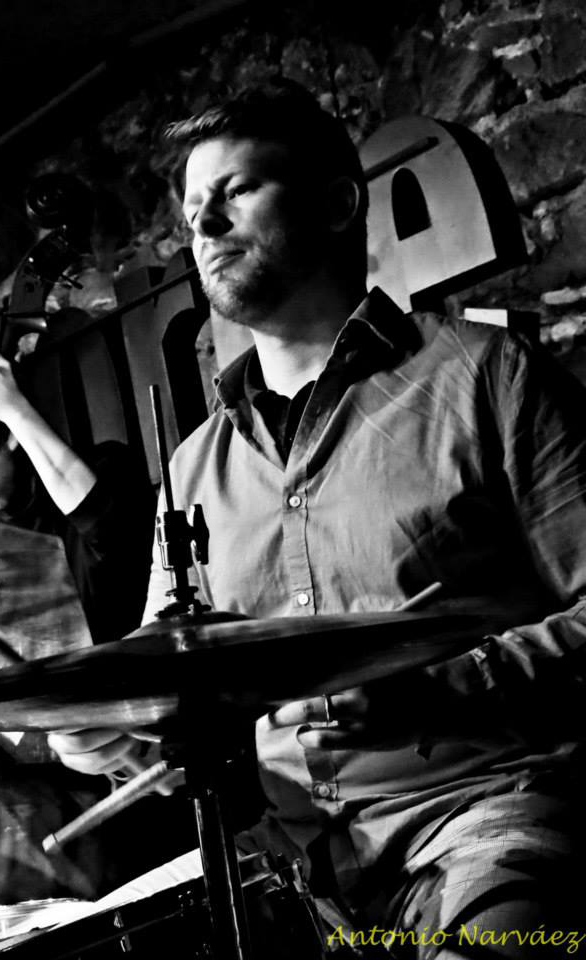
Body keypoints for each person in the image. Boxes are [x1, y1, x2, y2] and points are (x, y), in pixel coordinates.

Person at [50, 79, 586, 953]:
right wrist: (100, 729)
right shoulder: (192, 469)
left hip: (483, 819)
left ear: (339, 204)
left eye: (234, 193)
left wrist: (437, 688)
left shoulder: (484, 378)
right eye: (193, 212)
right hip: (291, 865)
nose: (205, 228)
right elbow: (165, 684)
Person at [0, 353, 160, 905]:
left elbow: (102, 521)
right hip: (37, 802)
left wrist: (13, 408)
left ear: (7, 436)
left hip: (136, 774)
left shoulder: (103, 472)